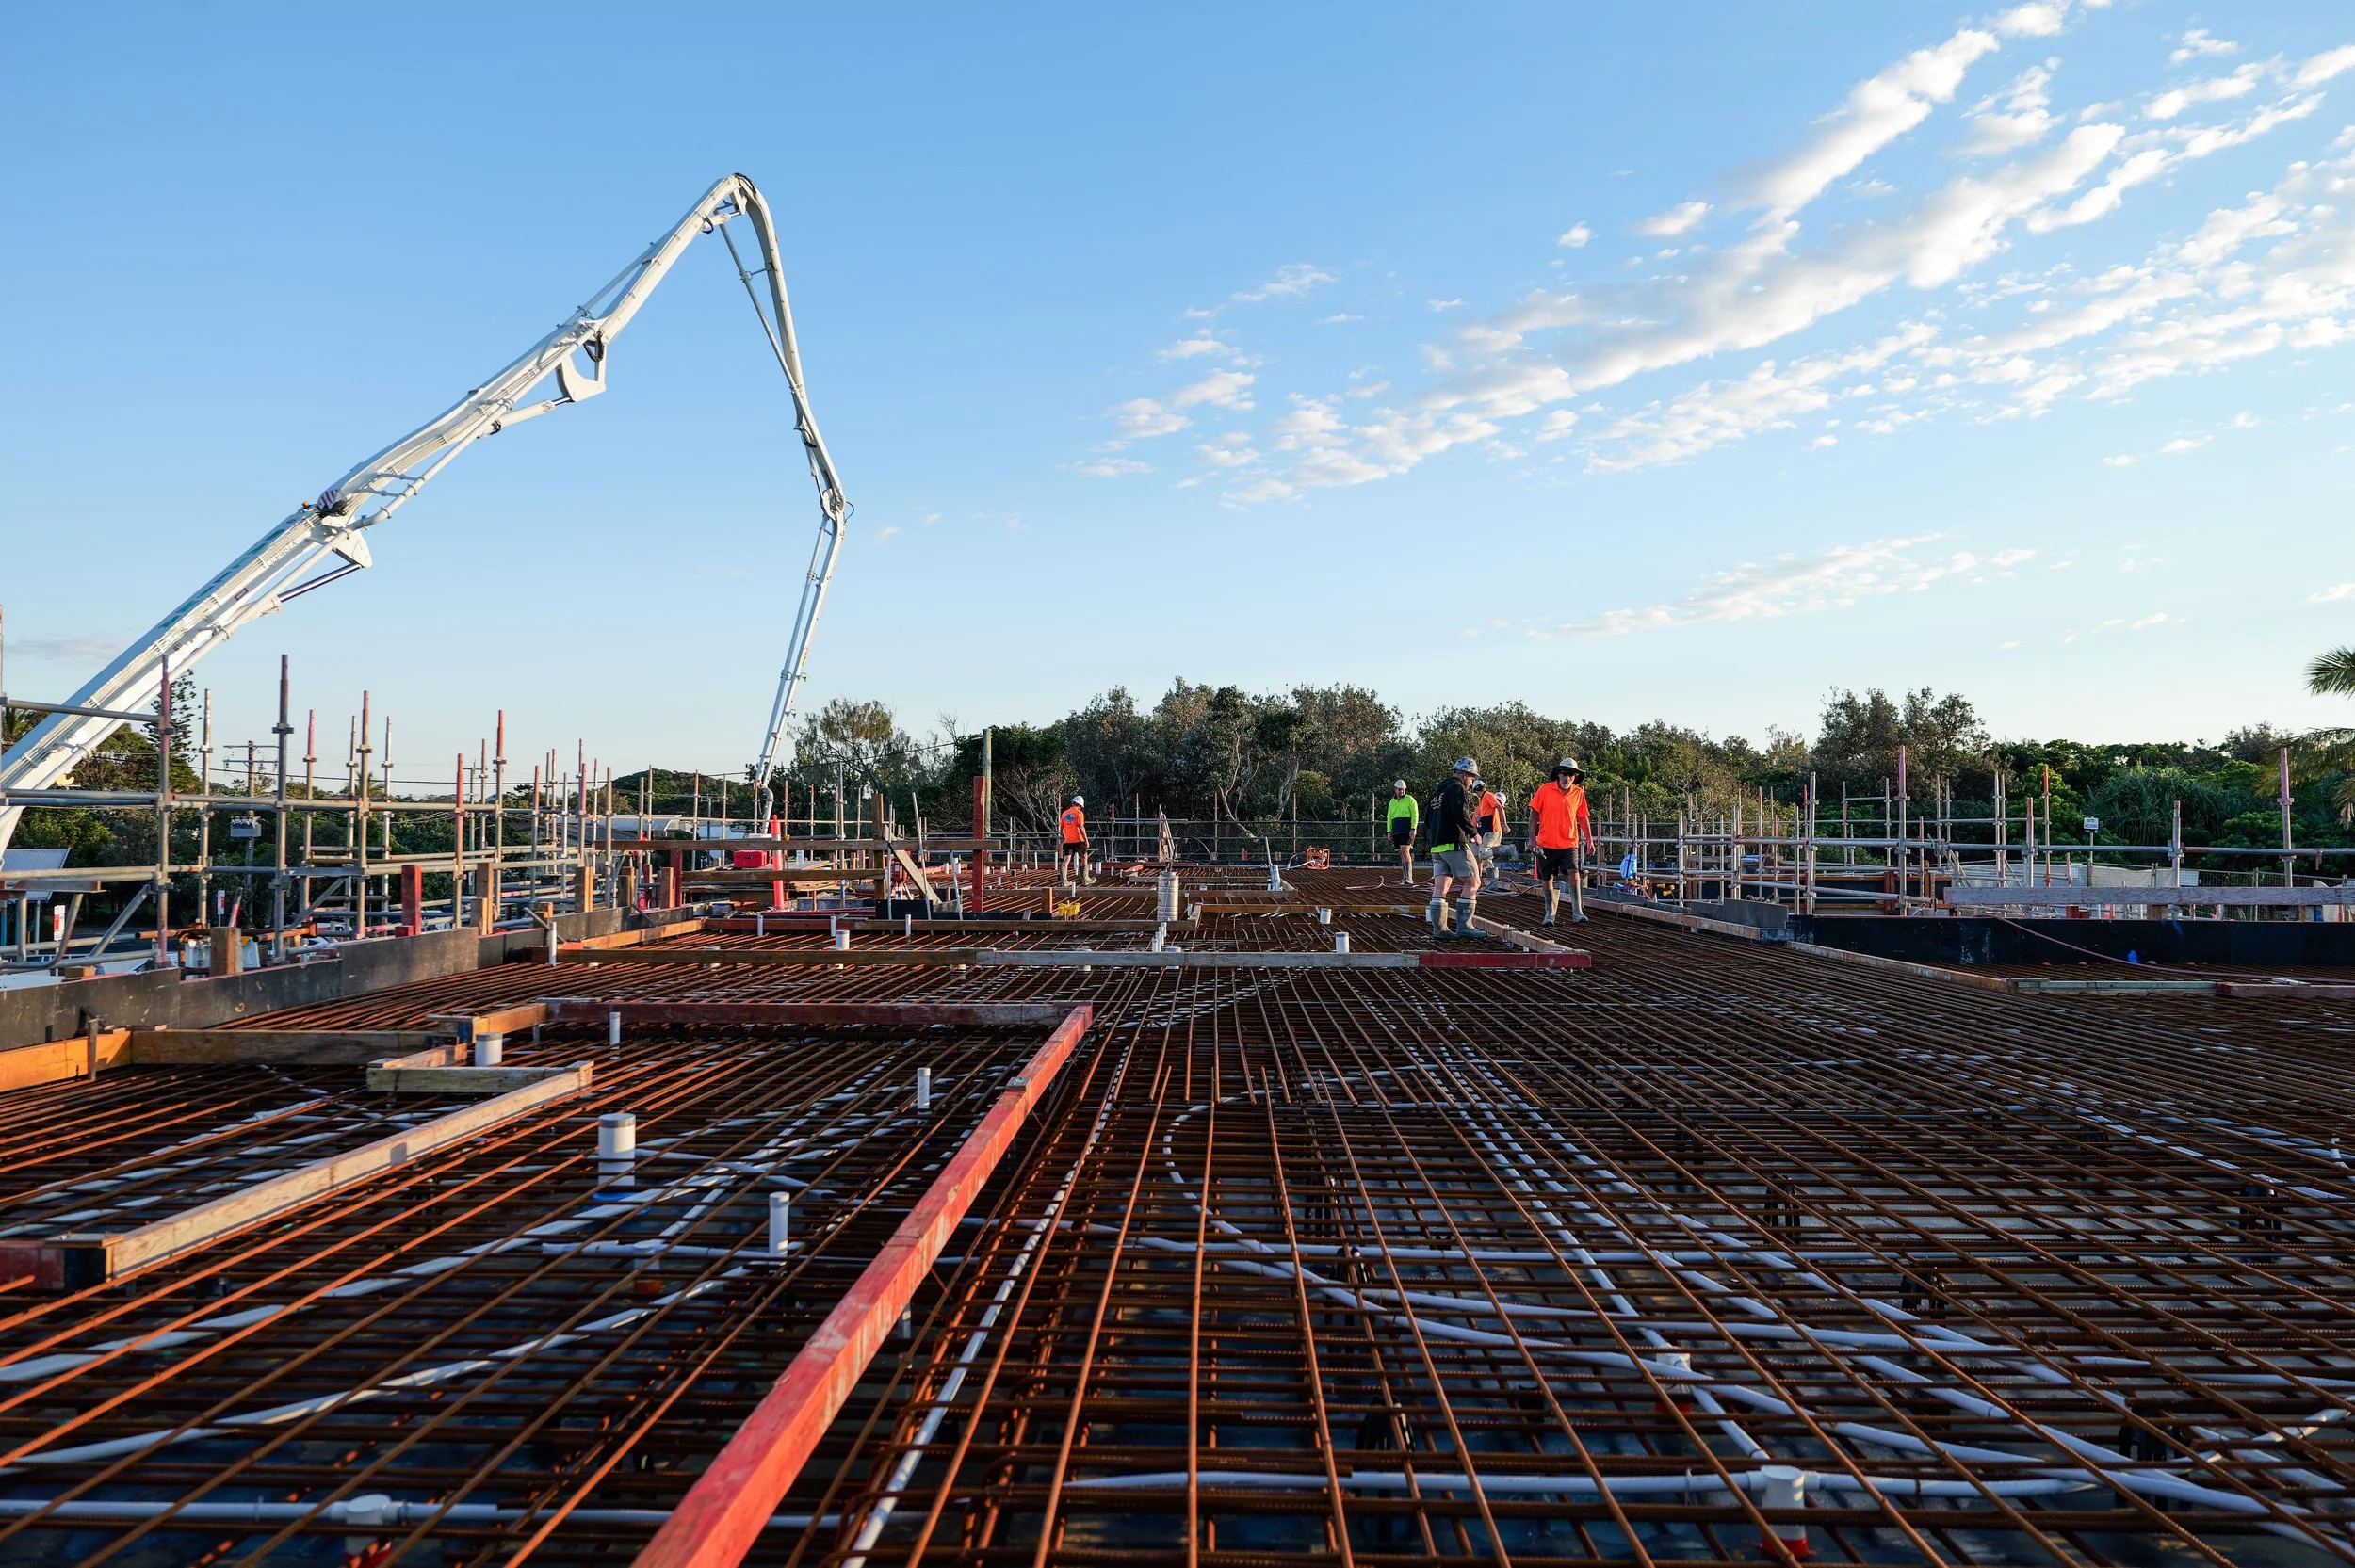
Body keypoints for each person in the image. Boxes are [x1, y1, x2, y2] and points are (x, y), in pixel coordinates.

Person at [1525, 757, 1593, 925]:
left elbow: (1583, 817)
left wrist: (1590, 840)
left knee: (1574, 872)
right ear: (1558, 774)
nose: (1567, 777)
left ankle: (1578, 912)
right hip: (1546, 843)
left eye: (1571, 774)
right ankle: (1550, 914)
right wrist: (1532, 840)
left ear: (1575, 777)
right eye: (1564, 773)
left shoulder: (1578, 793)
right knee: (1547, 878)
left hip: (1569, 842)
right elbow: (1534, 816)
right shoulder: (1545, 789)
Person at [1425, 756, 1483, 938]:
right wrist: (1473, 832)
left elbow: (1427, 821)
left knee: (1440, 887)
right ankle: (1465, 926)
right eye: (1472, 778)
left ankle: (1440, 929)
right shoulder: (1457, 788)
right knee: (1474, 882)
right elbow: (1460, 812)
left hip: (1437, 846)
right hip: (1454, 843)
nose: (1471, 782)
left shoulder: (1436, 792)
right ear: (1465, 774)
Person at [1476, 781, 1511, 892]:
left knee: (1482, 854)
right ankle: (1493, 883)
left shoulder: (1488, 795)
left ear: (1476, 791)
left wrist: (1505, 825)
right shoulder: (1483, 800)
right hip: (1488, 831)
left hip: (1493, 831)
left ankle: (1507, 848)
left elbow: (1500, 808)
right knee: (1487, 859)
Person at [1384, 780, 1421, 885]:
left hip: (1406, 829)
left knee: (1405, 851)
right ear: (1395, 790)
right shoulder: (1392, 801)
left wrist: (1413, 828)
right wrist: (1389, 831)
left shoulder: (1410, 799)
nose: (1401, 791)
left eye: (1403, 789)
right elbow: (1389, 817)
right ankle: (1404, 877)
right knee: (1401, 852)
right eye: (1399, 789)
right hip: (1396, 829)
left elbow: (1415, 814)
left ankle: (1409, 878)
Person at [1058, 794, 1090, 884]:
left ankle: (1064, 881)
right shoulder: (1079, 813)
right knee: (1084, 858)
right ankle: (1085, 879)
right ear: (1079, 805)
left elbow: (1061, 829)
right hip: (1079, 840)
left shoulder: (1064, 814)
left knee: (1066, 860)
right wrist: (1086, 840)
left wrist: (1065, 838)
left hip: (1068, 841)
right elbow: (1081, 827)